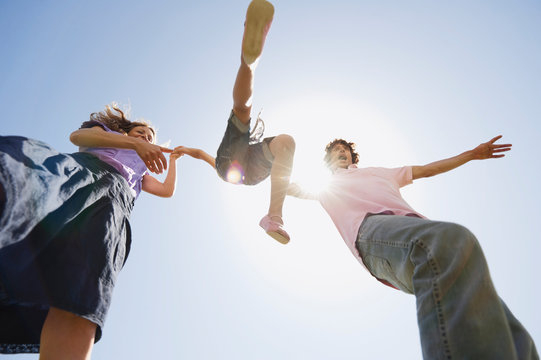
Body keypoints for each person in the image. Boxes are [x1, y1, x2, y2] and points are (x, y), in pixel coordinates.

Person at [287, 136, 539, 359]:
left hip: (413, 228)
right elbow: (289, 187)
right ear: (327, 161)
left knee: (512, 333)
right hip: (371, 232)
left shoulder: (380, 173)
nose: (341, 152)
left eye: (344, 150)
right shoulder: (324, 188)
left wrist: (471, 154)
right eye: (335, 151)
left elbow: (428, 170)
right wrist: (256, 164)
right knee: (449, 242)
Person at [0, 104, 186, 359]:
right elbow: (78, 137)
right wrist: (134, 145)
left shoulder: (141, 169)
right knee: (20, 178)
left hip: (114, 206)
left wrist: (173, 161)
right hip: (86, 173)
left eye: (150, 137)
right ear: (127, 130)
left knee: (80, 294)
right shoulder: (109, 134)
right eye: (140, 132)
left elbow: (166, 190)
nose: (145, 137)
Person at [213, 0, 296, 244]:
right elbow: (207, 159)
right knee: (243, 111)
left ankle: (248, 64)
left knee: (284, 142)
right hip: (238, 169)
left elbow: (285, 180)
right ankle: (249, 62)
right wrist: (187, 152)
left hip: (245, 168)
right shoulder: (229, 157)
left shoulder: (252, 152)